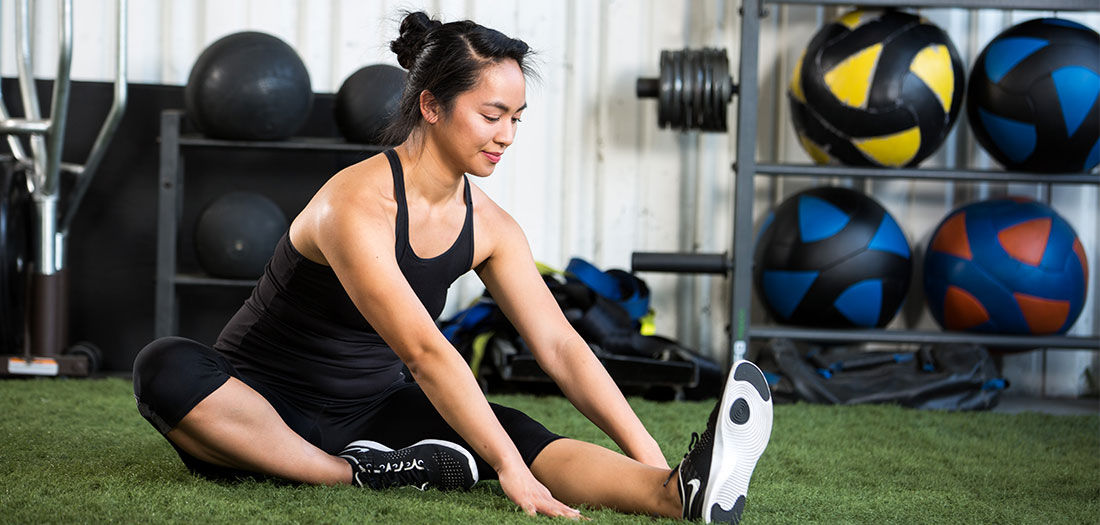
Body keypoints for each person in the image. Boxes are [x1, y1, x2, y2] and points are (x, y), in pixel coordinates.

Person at [133, 11, 772, 523]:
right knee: (164, 365)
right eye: (492, 115)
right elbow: (423, 351)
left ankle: (676, 492)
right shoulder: (354, 204)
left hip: (376, 414)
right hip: (260, 406)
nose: (507, 136)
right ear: (432, 105)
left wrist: (648, 456)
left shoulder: (490, 227)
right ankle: (352, 473)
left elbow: (560, 346)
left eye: (516, 119)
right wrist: (507, 473)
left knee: (513, 429)